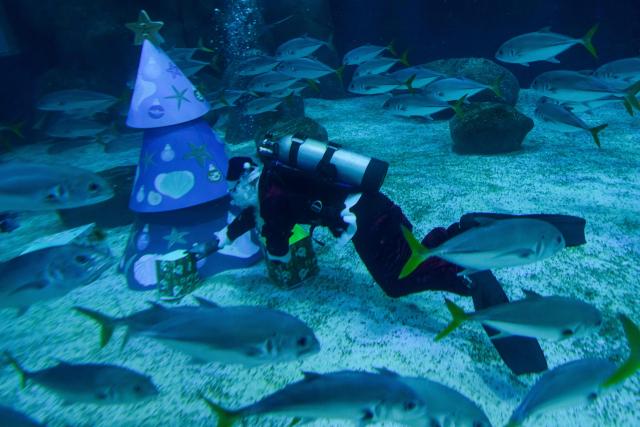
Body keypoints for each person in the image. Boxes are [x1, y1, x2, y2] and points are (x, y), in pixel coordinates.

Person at [191, 134, 587, 376]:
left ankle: (465, 266)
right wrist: (208, 248)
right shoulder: (273, 178)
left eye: (232, 190)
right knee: (407, 252)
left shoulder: (269, 195)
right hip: (374, 204)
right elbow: (245, 220)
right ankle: (461, 233)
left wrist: (277, 244)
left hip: (363, 218)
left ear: (243, 182)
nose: (233, 198)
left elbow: (277, 249)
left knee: (396, 281)